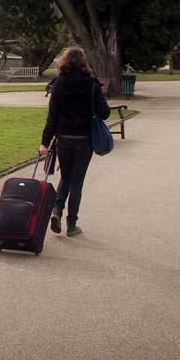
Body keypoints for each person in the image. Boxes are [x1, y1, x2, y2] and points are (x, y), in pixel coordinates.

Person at [39, 47, 110, 237]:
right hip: (84, 141)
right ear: (83, 63)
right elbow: (104, 113)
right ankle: (72, 225)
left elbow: (52, 117)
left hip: (63, 140)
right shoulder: (92, 85)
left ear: (64, 62)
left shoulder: (59, 84)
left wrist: (44, 143)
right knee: (77, 183)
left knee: (65, 178)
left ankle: (57, 211)